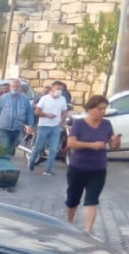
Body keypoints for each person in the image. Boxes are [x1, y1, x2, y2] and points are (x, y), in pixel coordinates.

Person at [65, 94, 122, 236]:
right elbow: (71, 143)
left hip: (98, 168)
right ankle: (69, 223)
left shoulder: (107, 124)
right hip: (78, 167)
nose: (103, 112)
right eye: (99, 109)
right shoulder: (79, 124)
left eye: (104, 109)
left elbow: (113, 145)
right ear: (90, 109)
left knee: (92, 200)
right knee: (73, 199)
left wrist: (116, 142)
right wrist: (91, 145)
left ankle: (88, 231)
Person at [29, 82, 69, 175]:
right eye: (57, 89)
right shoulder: (44, 98)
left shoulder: (62, 99)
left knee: (53, 150)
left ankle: (48, 170)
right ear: (52, 89)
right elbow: (37, 112)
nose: (59, 91)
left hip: (55, 127)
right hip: (43, 126)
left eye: (61, 89)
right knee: (38, 147)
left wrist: (62, 122)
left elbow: (65, 111)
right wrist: (47, 115)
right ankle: (32, 161)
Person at [0, 79, 34, 156]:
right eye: (13, 86)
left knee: (11, 148)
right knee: (5, 147)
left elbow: (29, 113)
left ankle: (5, 158)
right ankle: (5, 161)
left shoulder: (25, 99)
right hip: (4, 128)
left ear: (20, 88)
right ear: (10, 87)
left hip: (18, 129)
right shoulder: (4, 98)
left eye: (17, 86)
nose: (15, 88)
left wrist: (30, 125)